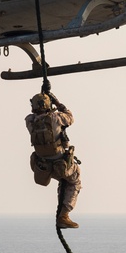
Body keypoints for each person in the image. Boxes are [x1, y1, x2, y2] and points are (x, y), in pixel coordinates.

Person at [25, 92, 82, 229]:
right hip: (59, 162)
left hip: (43, 165)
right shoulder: (56, 117)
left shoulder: (29, 120)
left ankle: (62, 214)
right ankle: (64, 215)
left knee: (63, 182)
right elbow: (70, 118)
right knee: (75, 179)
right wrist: (58, 103)